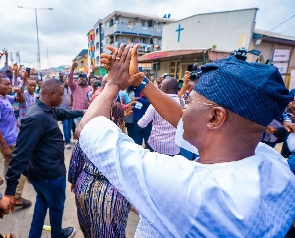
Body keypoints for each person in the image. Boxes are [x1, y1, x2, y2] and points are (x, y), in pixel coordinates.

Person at [76, 43, 295, 237]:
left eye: (188, 101)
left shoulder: (189, 187)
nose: (183, 107)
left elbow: (86, 129)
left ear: (215, 117)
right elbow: (186, 120)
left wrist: (113, 82)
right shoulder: (274, 165)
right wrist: (141, 82)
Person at [4, 78, 84, 237]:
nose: (62, 99)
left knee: (42, 202)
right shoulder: (37, 117)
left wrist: (84, 112)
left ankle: (34, 235)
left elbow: (62, 113)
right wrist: (10, 192)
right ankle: (58, 234)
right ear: (51, 93)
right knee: (56, 207)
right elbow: (20, 155)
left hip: (42, 174)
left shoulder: (46, 109)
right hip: (50, 175)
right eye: (60, 95)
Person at [69, 101, 130, 238]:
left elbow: (75, 163)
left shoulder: (88, 136)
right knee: (109, 231)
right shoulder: (125, 142)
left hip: (84, 188)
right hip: (112, 193)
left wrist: (74, 181)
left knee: (88, 227)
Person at [0, 73, 31, 208]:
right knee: (22, 165)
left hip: (14, 137)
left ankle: (10, 193)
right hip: (8, 140)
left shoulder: (6, 98)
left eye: (9, 84)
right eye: (5, 84)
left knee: (9, 164)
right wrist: (4, 145)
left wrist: (20, 89)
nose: (9, 86)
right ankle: (15, 196)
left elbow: (22, 100)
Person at [138, 76, 180, 155]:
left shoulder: (156, 103)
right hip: (174, 149)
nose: (159, 87)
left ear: (165, 89)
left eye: (161, 86)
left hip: (156, 146)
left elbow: (142, 124)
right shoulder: (182, 102)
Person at [59, 77, 74, 149]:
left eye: (69, 80)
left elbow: (71, 97)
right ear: (64, 80)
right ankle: (67, 141)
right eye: (66, 80)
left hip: (70, 109)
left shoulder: (70, 88)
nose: (67, 82)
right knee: (65, 125)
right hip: (63, 110)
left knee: (70, 125)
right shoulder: (61, 88)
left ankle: (69, 139)